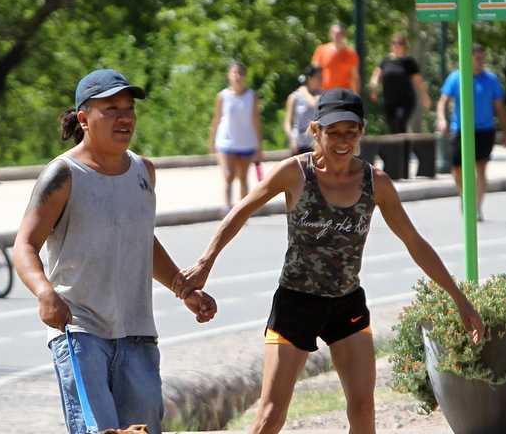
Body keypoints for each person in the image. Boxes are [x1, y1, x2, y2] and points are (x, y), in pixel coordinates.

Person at [175, 89, 484, 434]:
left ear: (361, 132)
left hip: (346, 303)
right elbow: (241, 210)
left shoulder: (376, 183)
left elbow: (414, 242)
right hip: (296, 304)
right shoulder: (295, 173)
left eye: (351, 132)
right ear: (315, 130)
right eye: (333, 132)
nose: (342, 141)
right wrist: (205, 262)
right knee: (271, 415)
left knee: (363, 410)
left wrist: (460, 299)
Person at [13, 69, 218, 434]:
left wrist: (183, 288)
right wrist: (45, 293)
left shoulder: (143, 172)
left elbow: (141, 240)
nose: (124, 118)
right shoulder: (63, 175)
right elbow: (24, 245)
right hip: (80, 332)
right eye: (111, 109)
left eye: (129, 109)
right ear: (83, 119)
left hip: (137, 333)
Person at [436, 44, 506, 222]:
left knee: (481, 168)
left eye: (482, 58)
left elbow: (499, 107)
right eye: (477, 58)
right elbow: (443, 101)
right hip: (461, 129)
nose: (480, 62)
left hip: (485, 130)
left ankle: (476, 207)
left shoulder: (491, 79)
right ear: (468, 58)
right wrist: (442, 119)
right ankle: (465, 196)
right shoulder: (456, 77)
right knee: (456, 168)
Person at [367, 33, 434, 180]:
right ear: (391, 45)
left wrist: (425, 97)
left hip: (406, 101)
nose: (397, 46)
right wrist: (374, 86)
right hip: (389, 101)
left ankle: (403, 164)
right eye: (395, 43)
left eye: (401, 44)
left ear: (405, 46)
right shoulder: (386, 61)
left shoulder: (409, 62)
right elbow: (377, 75)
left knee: (400, 124)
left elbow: (418, 82)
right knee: (393, 131)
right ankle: (394, 165)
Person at [209, 62, 263, 212]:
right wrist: (212, 139)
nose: (237, 76)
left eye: (240, 73)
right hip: (226, 141)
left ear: (244, 76)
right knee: (228, 175)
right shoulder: (223, 96)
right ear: (229, 75)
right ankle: (227, 209)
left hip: (246, 142)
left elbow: (256, 120)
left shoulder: (251, 96)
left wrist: (259, 145)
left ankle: (242, 211)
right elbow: (217, 118)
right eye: (234, 73)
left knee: (243, 177)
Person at [283, 65, 322, 155]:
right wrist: (292, 139)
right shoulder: (295, 97)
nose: (321, 80)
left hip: (316, 143)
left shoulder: (323, 95)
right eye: (318, 77)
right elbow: (287, 123)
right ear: (309, 78)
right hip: (299, 144)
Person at [311, 24, 360, 93]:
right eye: (334, 33)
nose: (337, 36)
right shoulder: (321, 50)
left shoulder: (351, 54)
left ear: (344, 35)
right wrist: (313, 92)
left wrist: (355, 95)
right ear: (330, 34)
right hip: (324, 92)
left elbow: (354, 77)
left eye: (339, 34)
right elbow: (314, 73)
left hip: (343, 93)